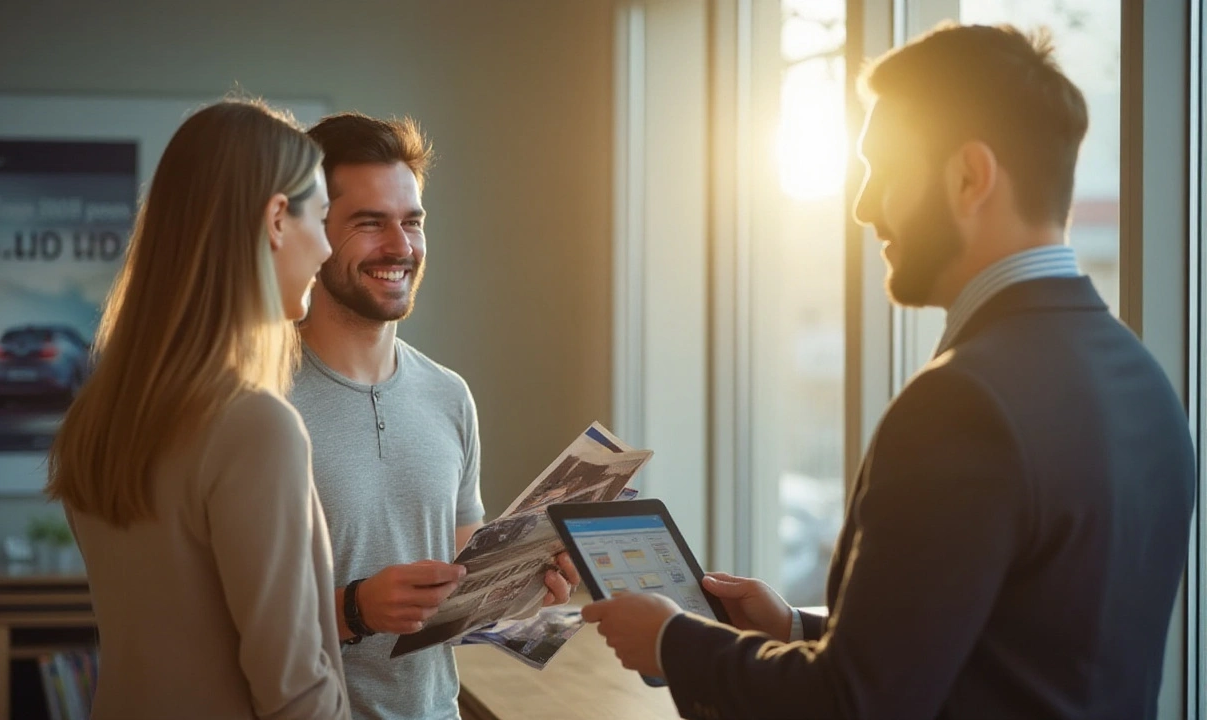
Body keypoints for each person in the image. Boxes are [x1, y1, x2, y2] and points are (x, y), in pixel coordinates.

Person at [582, 22, 1197, 720]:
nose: (865, 206)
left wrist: (672, 641)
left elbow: (855, 705)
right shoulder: (1146, 384)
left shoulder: (964, 403)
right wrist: (793, 632)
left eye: (883, 170)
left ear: (969, 176)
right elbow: (1003, 659)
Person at [45, 99, 349, 718]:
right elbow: (294, 691)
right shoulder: (256, 426)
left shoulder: (96, 419)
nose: (326, 248)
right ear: (275, 220)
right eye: (322, 218)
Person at [292, 111, 580, 720]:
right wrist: (353, 610)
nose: (400, 246)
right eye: (370, 224)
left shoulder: (450, 396)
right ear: (313, 232)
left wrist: (528, 598)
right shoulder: (257, 402)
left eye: (413, 222)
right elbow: (215, 615)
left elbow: (456, 599)